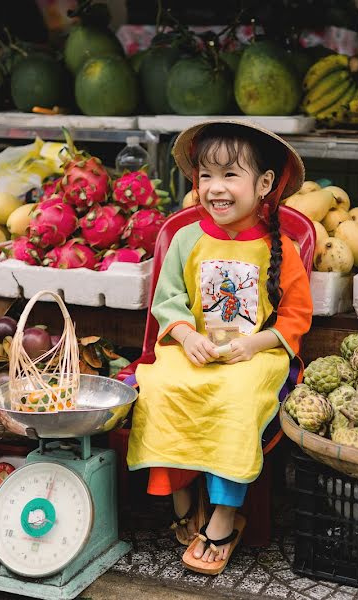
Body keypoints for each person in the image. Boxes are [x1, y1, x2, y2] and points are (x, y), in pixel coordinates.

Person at [126, 120, 312, 575]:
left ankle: (227, 512)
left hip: (253, 356)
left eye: (230, 174)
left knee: (236, 398)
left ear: (264, 183)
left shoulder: (281, 249)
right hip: (192, 349)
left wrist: (255, 344)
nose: (216, 188)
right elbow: (168, 300)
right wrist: (187, 336)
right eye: (205, 176)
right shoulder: (186, 238)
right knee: (161, 387)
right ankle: (182, 496)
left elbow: (294, 318)